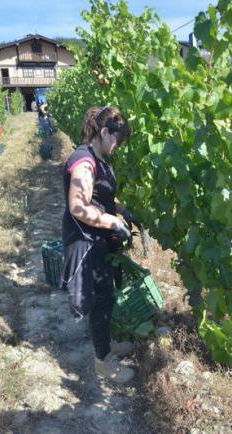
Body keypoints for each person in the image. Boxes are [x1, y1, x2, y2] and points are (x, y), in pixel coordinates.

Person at [60, 105, 137, 383]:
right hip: (86, 240)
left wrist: (120, 209)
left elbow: (99, 196)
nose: (118, 146)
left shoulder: (98, 158)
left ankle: (106, 343)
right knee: (101, 299)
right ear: (104, 132)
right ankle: (103, 361)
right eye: (117, 139)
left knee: (107, 294)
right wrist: (112, 222)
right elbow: (79, 206)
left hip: (98, 237)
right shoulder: (84, 161)